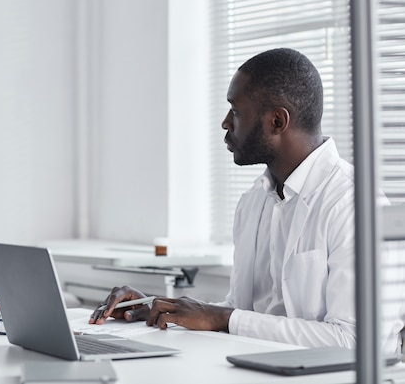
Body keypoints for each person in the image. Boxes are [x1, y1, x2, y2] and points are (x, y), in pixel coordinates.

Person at [89, 48, 403, 353]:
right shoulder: (254, 200)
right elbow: (242, 312)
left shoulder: (354, 204)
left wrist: (224, 318)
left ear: (278, 122)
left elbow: (357, 341)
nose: (226, 123)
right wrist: (157, 308)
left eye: (236, 112)